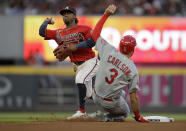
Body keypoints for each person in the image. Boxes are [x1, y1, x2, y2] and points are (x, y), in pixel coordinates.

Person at [55, 4, 149, 122]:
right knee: (126, 112)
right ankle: (105, 117)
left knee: (122, 94)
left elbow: (95, 35)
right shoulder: (132, 68)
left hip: (95, 97)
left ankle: (101, 113)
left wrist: (106, 14)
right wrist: (138, 116)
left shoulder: (108, 50)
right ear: (133, 49)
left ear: (120, 45)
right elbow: (134, 98)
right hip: (110, 104)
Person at [39, 6, 99, 119]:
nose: (65, 15)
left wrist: (76, 46)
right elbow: (42, 33)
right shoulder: (59, 33)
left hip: (91, 61)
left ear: (74, 16)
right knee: (89, 95)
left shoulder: (84, 28)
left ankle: (81, 111)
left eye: (68, 13)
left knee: (80, 80)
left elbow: (91, 42)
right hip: (78, 65)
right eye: (64, 13)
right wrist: (46, 21)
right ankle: (112, 101)